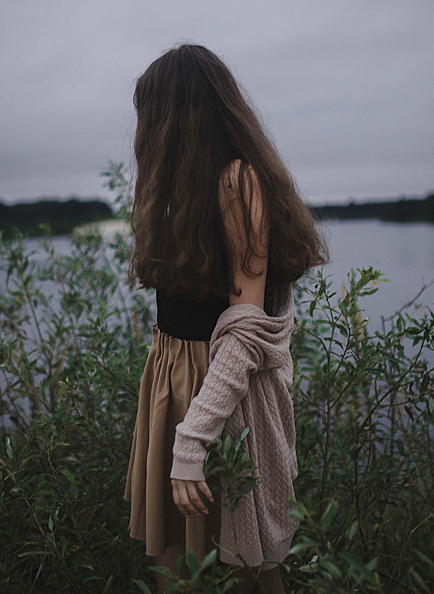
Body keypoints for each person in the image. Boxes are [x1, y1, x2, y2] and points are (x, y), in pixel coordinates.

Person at [124, 44, 327, 593]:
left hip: (220, 403)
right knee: (181, 571)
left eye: (151, 116)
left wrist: (191, 443)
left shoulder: (239, 184)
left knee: (240, 571)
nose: (144, 132)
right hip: (178, 392)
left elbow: (245, 331)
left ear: (178, 119)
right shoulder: (184, 198)